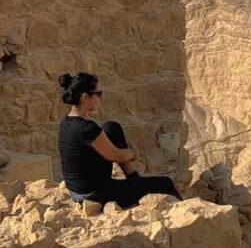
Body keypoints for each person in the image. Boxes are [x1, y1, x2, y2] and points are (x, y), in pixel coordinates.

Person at [57, 72, 179, 208]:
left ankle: (135, 180)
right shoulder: (87, 128)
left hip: (78, 190)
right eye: (98, 94)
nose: (100, 98)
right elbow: (117, 155)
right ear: (85, 97)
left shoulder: (66, 122)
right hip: (94, 195)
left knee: (111, 128)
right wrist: (132, 153)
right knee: (166, 183)